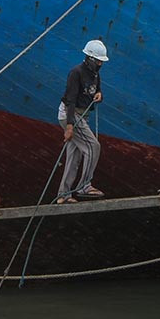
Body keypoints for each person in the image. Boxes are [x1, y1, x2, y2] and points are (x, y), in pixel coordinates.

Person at [55, 40, 108, 204]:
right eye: (98, 61)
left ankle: (63, 194)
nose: (100, 64)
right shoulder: (76, 72)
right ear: (90, 58)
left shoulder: (95, 74)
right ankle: (85, 186)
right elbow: (70, 100)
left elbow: (96, 90)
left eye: (101, 61)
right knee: (93, 146)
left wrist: (99, 95)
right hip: (70, 115)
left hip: (82, 116)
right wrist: (69, 127)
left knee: (74, 155)